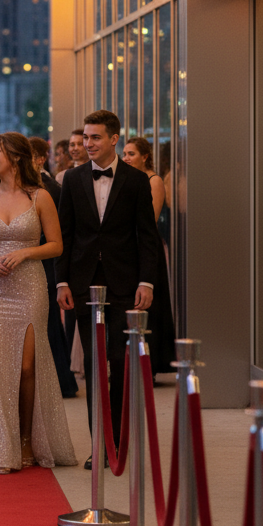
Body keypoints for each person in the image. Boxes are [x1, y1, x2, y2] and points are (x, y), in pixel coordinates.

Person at [0, 133, 77, 472]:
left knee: (26, 368)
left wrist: (25, 252)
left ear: (16, 156)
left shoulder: (39, 197)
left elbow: (56, 245)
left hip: (29, 286)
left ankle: (26, 440)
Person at [56, 110, 161, 468]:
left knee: (117, 361)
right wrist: (62, 281)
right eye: (85, 137)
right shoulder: (72, 179)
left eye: (95, 137)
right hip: (83, 284)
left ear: (114, 139)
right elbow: (65, 236)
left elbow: (147, 236)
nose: (87, 144)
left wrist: (146, 281)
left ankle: (117, 440)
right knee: (93, 363)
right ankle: (99, 445)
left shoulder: (135, 181)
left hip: (123, 285)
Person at [123, 136, 177, 377]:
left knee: (151, 308)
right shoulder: (130, 179)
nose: (126, 158)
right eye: (124, 153)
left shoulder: (153, 180)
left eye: (131, 153)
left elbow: (150, 219)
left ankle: (151, 365)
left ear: (145, 156)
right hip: (131, 247)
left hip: (147, 246)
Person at [29, 136, 76, 398]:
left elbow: (61, 235)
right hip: (42, 264)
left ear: (39, 159)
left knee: (47, 325)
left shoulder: (50, 189)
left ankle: (58, 380)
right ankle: (61, 380)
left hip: (47, 263)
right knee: (49, 326)